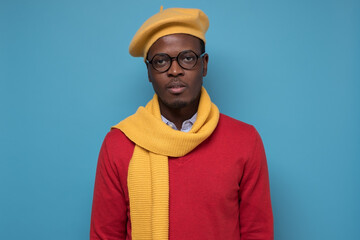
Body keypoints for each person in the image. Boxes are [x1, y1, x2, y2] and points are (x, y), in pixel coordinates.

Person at [90, 6, 273, 240]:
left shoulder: (245, 140)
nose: (174, 70)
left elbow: (258, 232)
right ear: (148, 71)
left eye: (187, 58)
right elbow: (105, 235)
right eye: (161, 61)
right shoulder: (119, 143)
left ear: (204, 64)